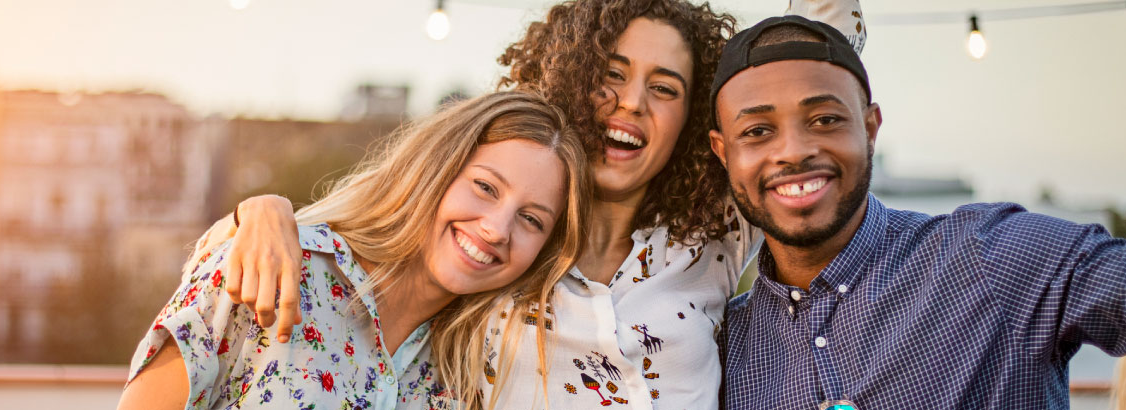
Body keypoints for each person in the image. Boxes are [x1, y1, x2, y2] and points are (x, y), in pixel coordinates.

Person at [193, 0, 865, 407]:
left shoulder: (713, 234)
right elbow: (373, 245)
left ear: (691, 124)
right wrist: (265, 211)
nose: (632, 102)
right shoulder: (499, 245)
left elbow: (816, 49)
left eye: (664, 88)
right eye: (611, 75)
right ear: (573, 81)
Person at [708, 15, 1126, 409]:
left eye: (825, 119)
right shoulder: (719, 352)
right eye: (757, 131)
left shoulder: (987, 258)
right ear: (723, 152)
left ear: (870, 129)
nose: (794, 151)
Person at [116, 91, 592, 409]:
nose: (496, 229)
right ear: (436, 171)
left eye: (532, 219)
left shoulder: (471, 372)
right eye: (486, 187)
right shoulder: (273, 265)